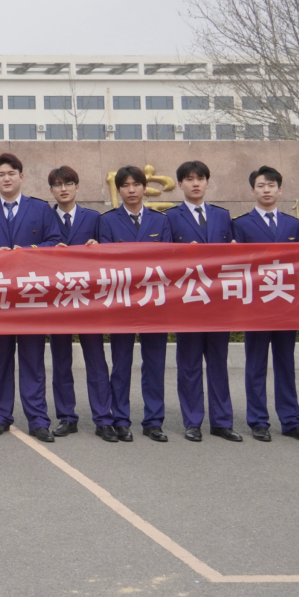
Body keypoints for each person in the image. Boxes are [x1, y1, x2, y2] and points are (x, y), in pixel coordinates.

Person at [0, 153, 61, 442]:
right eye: (1, 174)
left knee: (33, 360)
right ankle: (0, 416)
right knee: (0, 360)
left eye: (11, 173)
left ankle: (38, 420)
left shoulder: (41, 208)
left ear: (21, 177)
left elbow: (54, 242)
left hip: (30, 296)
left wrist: (29, 252)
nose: (6, 178)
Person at [232, 166, 299, 443]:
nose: (266, 190)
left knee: (285, 364)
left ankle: (291, 421)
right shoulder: (241, 224)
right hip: (256, 306)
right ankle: (258, 421)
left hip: (286, 305)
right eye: (260, 185)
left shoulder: (293, 225)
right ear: (252, 190)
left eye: (271, 185)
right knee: (256, 365)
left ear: (280, 190)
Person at [166, 160, 241, 443]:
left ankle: (222, 422)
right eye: (189, 179)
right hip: (187, 302)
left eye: (200, 178)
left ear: (208, 182)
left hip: (219, 302)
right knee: (189, 365)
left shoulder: (223, 216)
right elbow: (164, 259)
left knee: (219, 363)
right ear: (180, 184)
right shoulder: (169, 218)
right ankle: (192, 421)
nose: (195, 183)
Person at [97, 165, 173, 443]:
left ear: (144, 187)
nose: (131, 190)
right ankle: (121, 419)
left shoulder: (160, 221)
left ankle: (153, 421)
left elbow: (169, 260)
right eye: (125, 185)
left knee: (154, 364)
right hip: (122, 304)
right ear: (118, 190)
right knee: (121, 364)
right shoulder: (107, 221)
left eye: (136, 184)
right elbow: (105, 262)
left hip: (154, 303)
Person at [46, 166, 115, 443]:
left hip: (88, 300)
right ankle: (66, 417)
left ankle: (103, 419)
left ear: (77, 186)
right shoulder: (45, 217)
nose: (63, 189)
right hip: (57, 301)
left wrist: (97, 246)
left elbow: (107, 252)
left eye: (68, 183)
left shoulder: (94, 217)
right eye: (57, 185)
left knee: (96, 360)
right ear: (51, 190)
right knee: (61, 361)